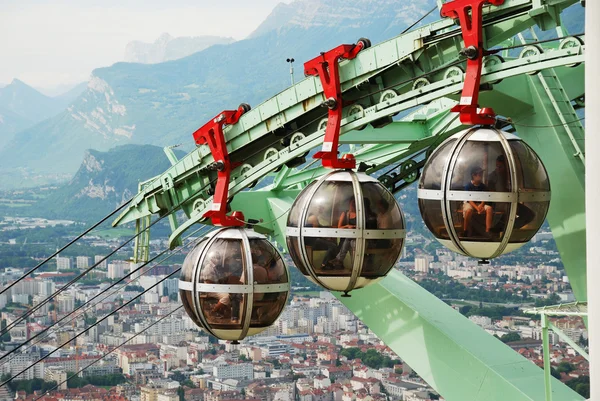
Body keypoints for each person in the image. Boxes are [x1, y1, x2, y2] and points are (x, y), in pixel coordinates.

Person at [487, 154, 535, 229]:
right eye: (497, 166)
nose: (498, 169)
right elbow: (490, 193)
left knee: (530, 215)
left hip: (508, 201)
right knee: (524, 214)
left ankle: (507, 227)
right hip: (499, 204)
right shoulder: (493, 176)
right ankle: (502, 228)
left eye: (500, 167)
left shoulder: (509, 176)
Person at [200, 251, 234, 318]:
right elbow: (208, 281)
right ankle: (214, 311)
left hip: (215, 288)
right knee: (227, 296)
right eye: (216, 258)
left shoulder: (214, 267)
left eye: (218, 258)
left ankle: (224, 312)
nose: (218, 259)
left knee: (232, 294)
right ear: (211, 258)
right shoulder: (208, 268)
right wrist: (220, 286)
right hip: (210, 289)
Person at [305, 203, 339, 270]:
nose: (321, 210)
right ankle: (324, 264)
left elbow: (319, 228)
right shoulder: (313, 218)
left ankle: (329, 263)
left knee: (333, 244)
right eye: (320, 208)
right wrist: (326, 238)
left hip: (314, 239)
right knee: (332, 245)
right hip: (312, 241)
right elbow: (317, 232)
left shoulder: (313, 217)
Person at [463, 167, 493, 238]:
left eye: (481, 174)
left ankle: (488, 230)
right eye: (479, 174)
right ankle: (465, 230)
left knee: (489, 209)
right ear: (474, 175)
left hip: (479, 203)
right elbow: (469, 200)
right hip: (470, 203)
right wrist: (477, 208)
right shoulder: (468, 186)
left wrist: (482, 205)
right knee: (468, 210)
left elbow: (484, 197)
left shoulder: (482, 186)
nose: (481, 176)